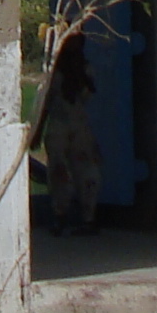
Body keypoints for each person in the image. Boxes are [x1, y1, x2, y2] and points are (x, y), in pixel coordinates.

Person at [35, 39, 104, 236]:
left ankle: (88, 217)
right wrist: (38, 131)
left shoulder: (85, 69)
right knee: (59, 172)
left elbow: (87, 95)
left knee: (88, 172)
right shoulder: (53, 73)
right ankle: (60, 215)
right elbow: (45, 103)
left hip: (78, 125)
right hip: (59, 125)